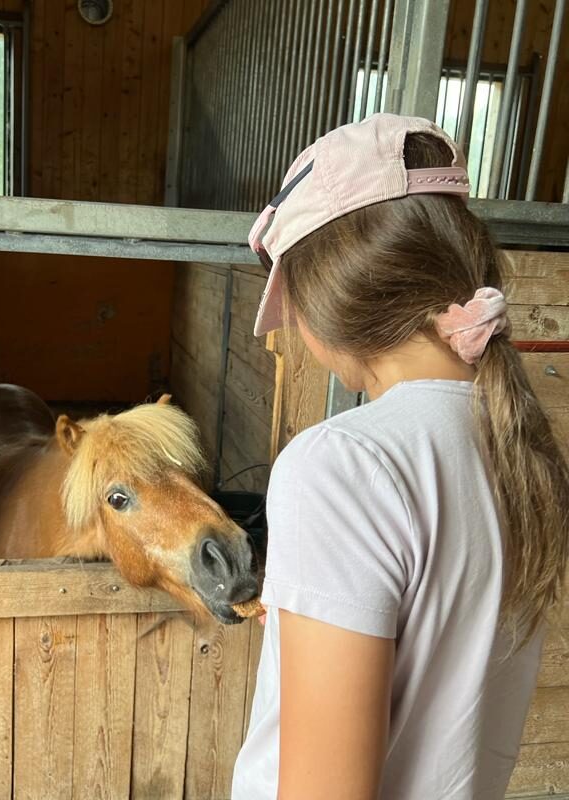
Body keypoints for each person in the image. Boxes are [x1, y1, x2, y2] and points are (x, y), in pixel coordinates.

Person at [231, 113, 569, 800]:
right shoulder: (518, 443)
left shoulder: (343, 465)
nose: (291, 324)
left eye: (291, 302)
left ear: (326, 298)